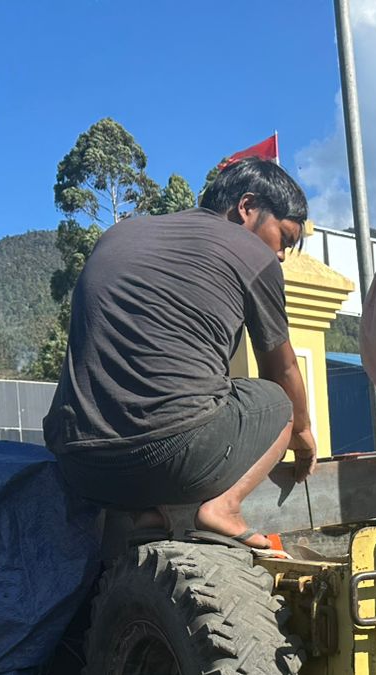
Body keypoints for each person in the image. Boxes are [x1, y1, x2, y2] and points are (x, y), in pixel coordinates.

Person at [44, 158, 318, 550]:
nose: (280, 256)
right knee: (278, 402)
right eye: (284, 239)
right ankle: (223, 508)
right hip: (167, 455)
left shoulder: (120, 232)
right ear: (246, 207)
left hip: (77, 462)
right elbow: (283, 367)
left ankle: (150, 516)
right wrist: (303, 436)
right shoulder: (250, 253)